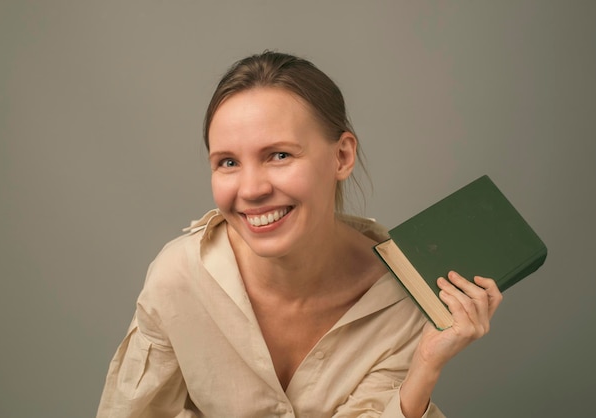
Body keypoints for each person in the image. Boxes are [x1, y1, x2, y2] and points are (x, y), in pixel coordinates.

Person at [96, 51, 502, 418]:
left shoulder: (404, 297)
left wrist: (424, 369)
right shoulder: (178, 277)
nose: (251, 189)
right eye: (228, 162)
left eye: (279, 155)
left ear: (342, 156)